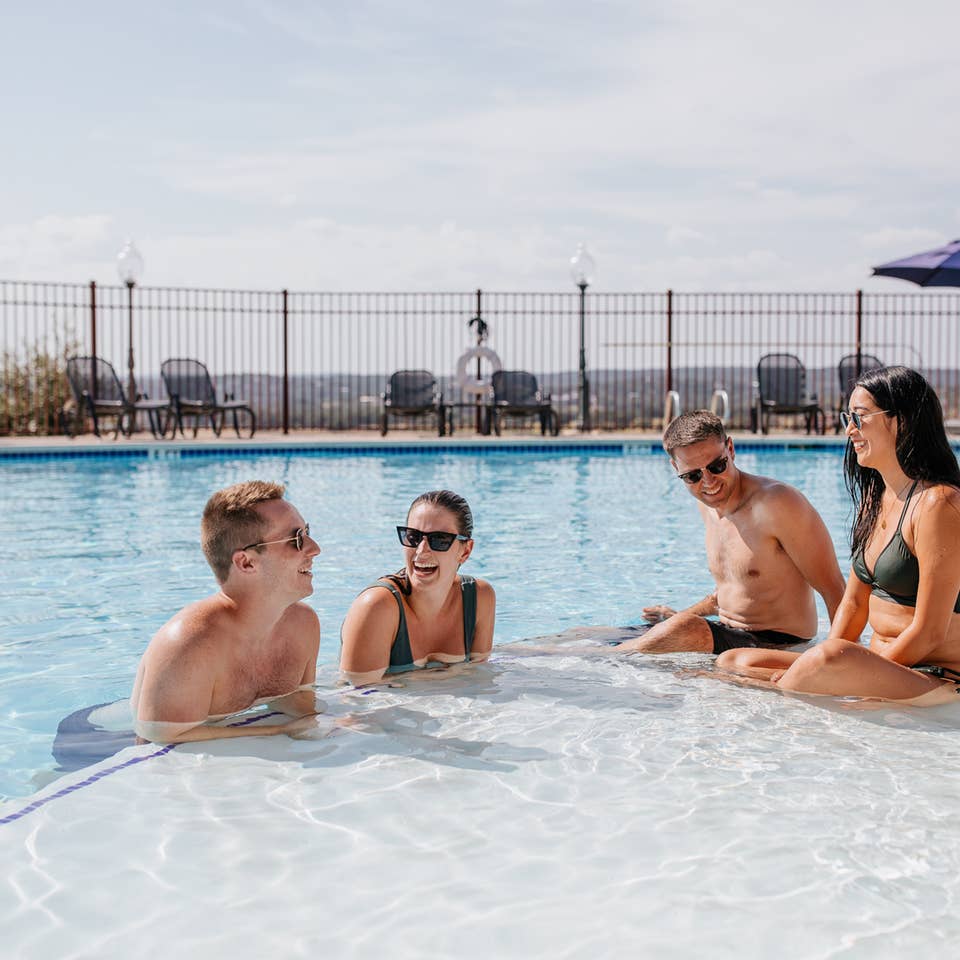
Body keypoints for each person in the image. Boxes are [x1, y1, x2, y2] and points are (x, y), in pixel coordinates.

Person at [717, 367, 960, 704]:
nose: (849, 430)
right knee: (735, 660)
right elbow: (855, 602)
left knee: (828, 661)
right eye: (849, 417)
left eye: (859, 418)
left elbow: (930, 631)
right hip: (879, 667)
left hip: (934, 677)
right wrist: (828, 660)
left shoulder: (939, 503)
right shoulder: (875, 502)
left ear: (900, 420)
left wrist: (835, 668)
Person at [612, 410, 845, 655]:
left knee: (681, 629)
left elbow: (834, 589)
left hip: (778, 643)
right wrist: (679, 617)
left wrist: (839, 659)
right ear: (676, 468)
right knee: (589, 634)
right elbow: (728, 593)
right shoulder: (708, 506)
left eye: (717, 465)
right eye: (692, 476)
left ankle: (600, 661)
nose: (709, 482)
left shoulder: (778, 503)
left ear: (730, 449)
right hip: (727, 632)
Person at [131, 480, 325, 743]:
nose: (314, 548)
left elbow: (298, 704)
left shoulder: (303, 625)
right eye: (296, 539)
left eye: (308, 532)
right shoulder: (187, 646)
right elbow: (160, 746)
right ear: (246, 563)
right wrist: (277, 732)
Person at [339, 489, 496, 685]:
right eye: (413, 537)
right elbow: (356, 702)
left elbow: (479, 678)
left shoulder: (479, 599)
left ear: (465, 551)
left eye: (439, 540)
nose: (421, 551)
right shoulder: (376, 607)